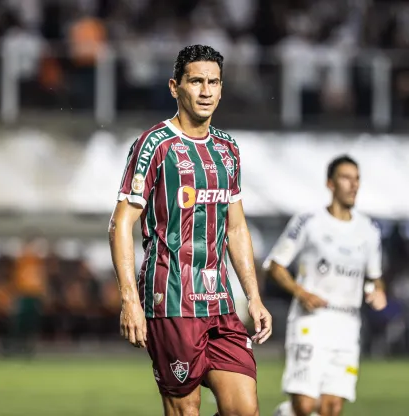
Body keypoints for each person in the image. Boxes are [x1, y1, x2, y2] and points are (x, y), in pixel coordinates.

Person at [108, 44, 272, 416]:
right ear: (174, 87)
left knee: (245, 410)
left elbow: (236, 226)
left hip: (220, 301)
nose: (206, 91)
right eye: (196, 81)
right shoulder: (154, 145)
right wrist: (130, 299)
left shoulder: (228, 149)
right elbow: (121, 223)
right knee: (187, 409)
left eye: (213, 82)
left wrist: (254, 296)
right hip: (171, 299)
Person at [264, 155, 388, 416]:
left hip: (347, 324)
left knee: (332, 407)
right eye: (346, 178)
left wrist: (378, 291)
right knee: (305, 406)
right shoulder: (308, 221)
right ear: (330, 184)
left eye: (356, 179)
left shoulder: (369, 230)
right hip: (311, 320)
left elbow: (374, 277)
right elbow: (275, 265)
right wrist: (301, 292)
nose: (353, 185)